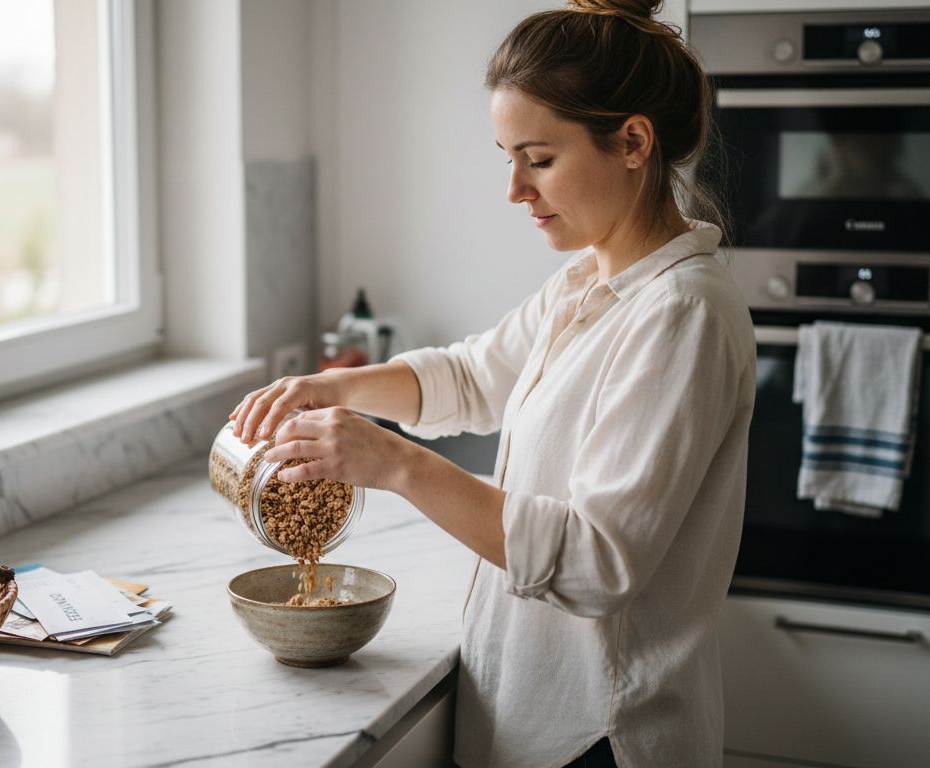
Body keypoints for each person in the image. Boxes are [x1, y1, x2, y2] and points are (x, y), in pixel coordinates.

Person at [230, 1, 755, 765]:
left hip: (602, 732)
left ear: (634, 142)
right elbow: (474, 377)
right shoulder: (590, 281)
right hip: (526, 712)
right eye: (506, 155)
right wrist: (332, 390)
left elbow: (598, 562)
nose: (515, 188)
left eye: (538, 158)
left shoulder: (681, 314)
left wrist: (397, 463)